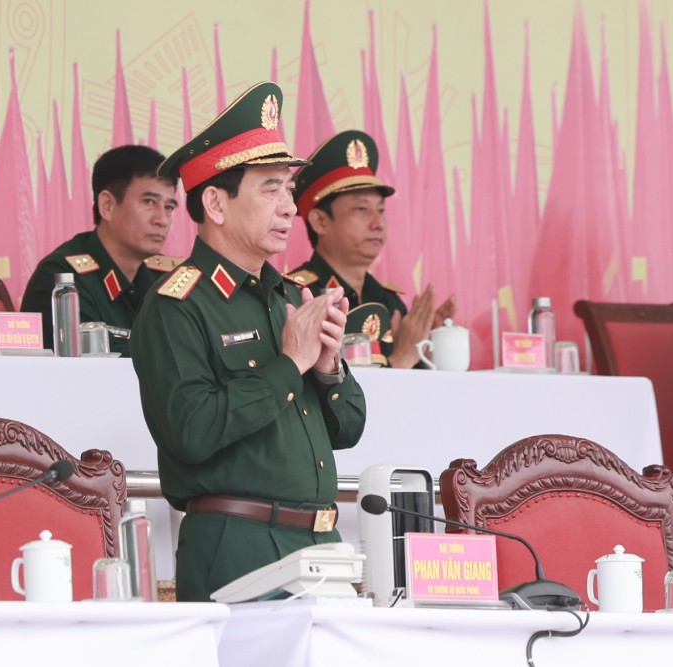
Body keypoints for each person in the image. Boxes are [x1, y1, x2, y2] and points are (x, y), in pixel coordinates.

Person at [130, 82, 367, 602]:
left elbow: (348, 428)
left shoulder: (288, 296)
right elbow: (191, 430)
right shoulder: (177, 304)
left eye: (289, 189)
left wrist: (328, 368)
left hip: (321, 545)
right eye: (270, 189)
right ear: (215, 202)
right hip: (239, 546)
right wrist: (291, 362)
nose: (290, 208)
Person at [289, 130, 455, 368]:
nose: (377, 224)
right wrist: (401, 359)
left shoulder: (389, 302)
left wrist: (428, 345)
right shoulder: (298, 296)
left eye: (381, 210)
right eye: (362, 210)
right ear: (320, 222)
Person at [20, 145, 180, 357]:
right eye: (149, 202)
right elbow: (87, 368)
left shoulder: (167, 277)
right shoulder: (63, 279)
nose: (162, 220)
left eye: (169, 207)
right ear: (107, 206)